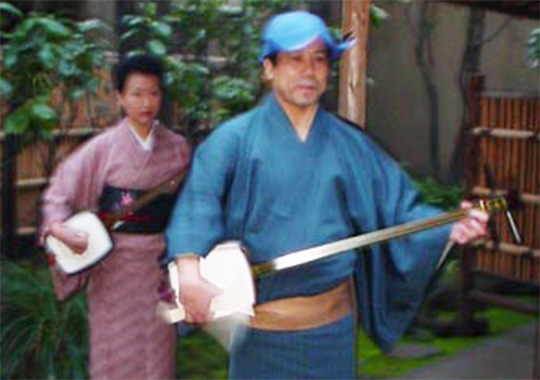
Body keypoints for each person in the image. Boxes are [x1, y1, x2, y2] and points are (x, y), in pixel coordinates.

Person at [165, 10, 489, 380]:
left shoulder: (349, 144)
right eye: (295, 59)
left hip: (331, 335)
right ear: (268, 68)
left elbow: (399, 208)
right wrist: (189, 272)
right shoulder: (233, 140)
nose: (309, 70)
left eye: (319, 59)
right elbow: (199, 201)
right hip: (261, 338)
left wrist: (447, 227)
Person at [41, 54, 190, 379]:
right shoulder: (103, 148)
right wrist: (59, 229)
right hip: (114, 271)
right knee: (114, 358)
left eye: (153, 93)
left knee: (158, 358)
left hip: (159, 269)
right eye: (136, 93)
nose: (146, 102)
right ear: (120, 97)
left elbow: (192, 205)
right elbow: (59, 193)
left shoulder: (177, 148)